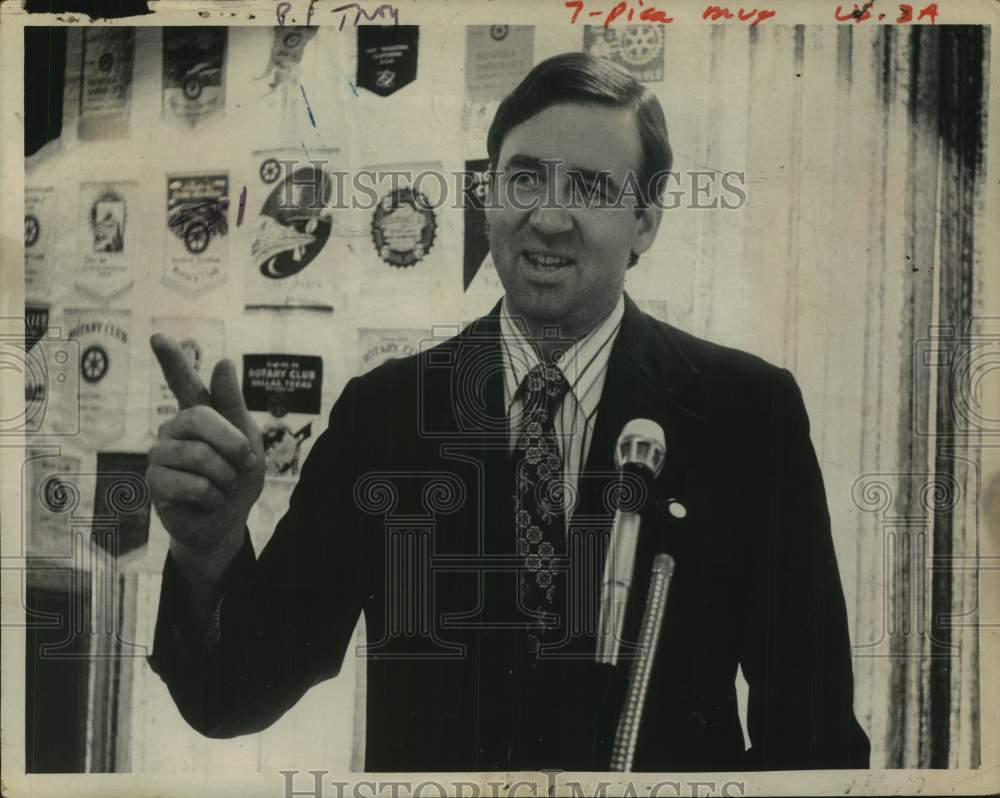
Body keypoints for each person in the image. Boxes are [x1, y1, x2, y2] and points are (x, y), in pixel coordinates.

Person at [147, 52, 870, 772]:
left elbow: (812, 740)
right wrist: (207, 550)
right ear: (487, 197)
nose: (548, 218)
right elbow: (232, 695)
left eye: (588, 187)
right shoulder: (387, 416)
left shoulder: (746, 415)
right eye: (524, 178)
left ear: (644, 222)